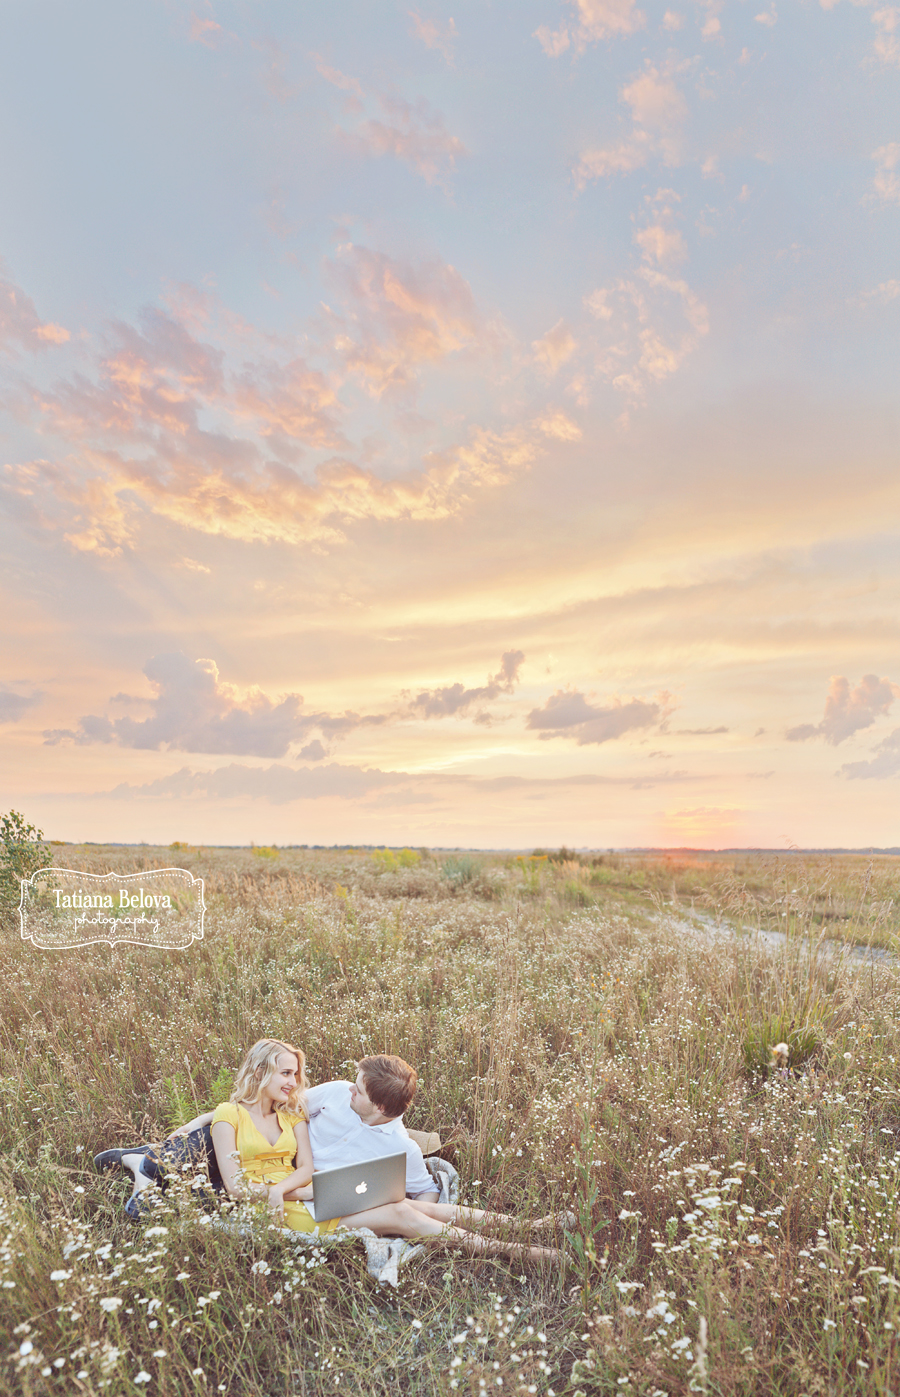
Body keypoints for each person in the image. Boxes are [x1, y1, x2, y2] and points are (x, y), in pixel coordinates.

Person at [97, 1048, 561, 1261]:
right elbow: (284, 1109)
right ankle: (524, 1248)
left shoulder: (401, 1148)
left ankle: (529, 1233)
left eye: (359, 1091)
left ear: (381, 1108)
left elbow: (425, 1191)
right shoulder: (336, 1093)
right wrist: (206, 1118)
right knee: (405, 1211)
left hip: (330, 1199)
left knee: (416, 1208)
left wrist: (395, 1210)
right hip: (295, 1183)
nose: (348, 1090)